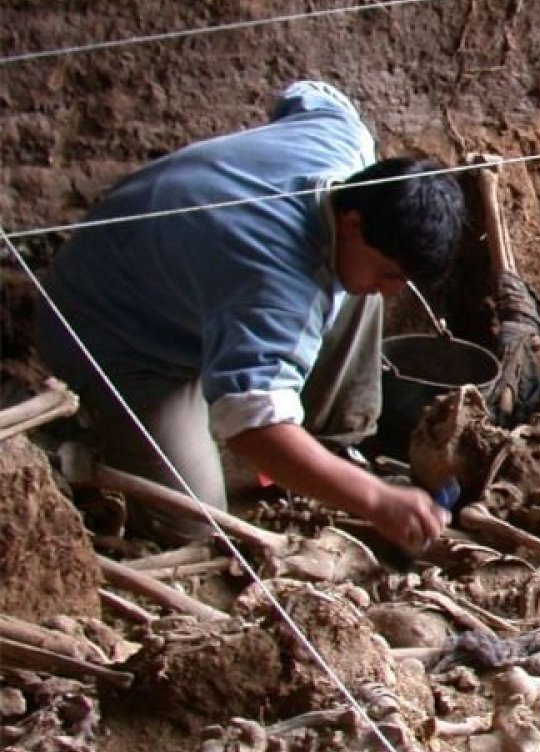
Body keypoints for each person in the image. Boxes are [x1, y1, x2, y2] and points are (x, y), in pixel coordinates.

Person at [36, 81, 465, 552]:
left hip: (165, 274)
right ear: (353, 222)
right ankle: (84, 441)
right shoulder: (274, 289)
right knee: (196, 531)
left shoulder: (344, 142)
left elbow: (310, 92)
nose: (392, 290)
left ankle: (336, 444)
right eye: (390, 272)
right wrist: (375, 499)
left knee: (359, 288)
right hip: (111, 334)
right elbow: (252, 429)